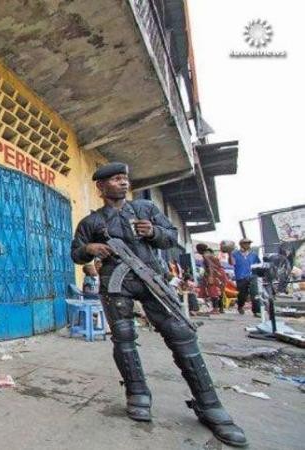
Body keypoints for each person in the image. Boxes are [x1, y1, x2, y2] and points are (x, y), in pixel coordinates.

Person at [71, 162, 247, 447]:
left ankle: (209, 404)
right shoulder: (92, 222)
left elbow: (171, 239)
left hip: (152, 280)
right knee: (124, 339)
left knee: (181, 334)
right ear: (101, 186)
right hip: (116, 285)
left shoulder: (145, 209)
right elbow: (76, 253)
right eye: (116, 179)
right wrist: (89, 249)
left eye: (125, 179)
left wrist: (153, 232)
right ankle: (137, 393)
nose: (123, 183)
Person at [230, 238, 261, 317]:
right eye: (245, 243)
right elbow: (232, 263)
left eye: (249, 243)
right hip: (240, 277)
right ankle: (240, 306)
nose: (247, 245)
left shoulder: (254, 254)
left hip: (252, 276)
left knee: (255, 293)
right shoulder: (235, 254)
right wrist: (229, 254)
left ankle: (257, 311)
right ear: (241, 244)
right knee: (242, 295)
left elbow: (258, 264)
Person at [199, 246, 228, 314]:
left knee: (213, 292)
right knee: (219, 292)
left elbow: (210, 267)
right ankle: (221, 309)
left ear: (211, 253)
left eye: (207, 252)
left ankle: (215, 309)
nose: (206, 254)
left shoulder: (209, 258)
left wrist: (211, 277)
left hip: (215, 276)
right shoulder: (213, 258)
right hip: (220, 276)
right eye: (205, 252)